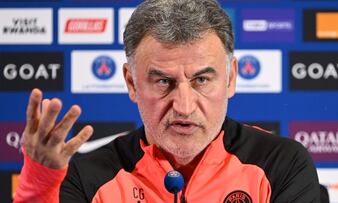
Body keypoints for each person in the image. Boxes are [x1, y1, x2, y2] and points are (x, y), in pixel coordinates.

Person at [14, 0, 320, 202]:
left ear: (231, 78)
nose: (184, 106)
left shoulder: (282, 164)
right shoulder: (87, 177)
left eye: (201, 80)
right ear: (131, 83)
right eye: (163, 81)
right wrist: (39, 186)